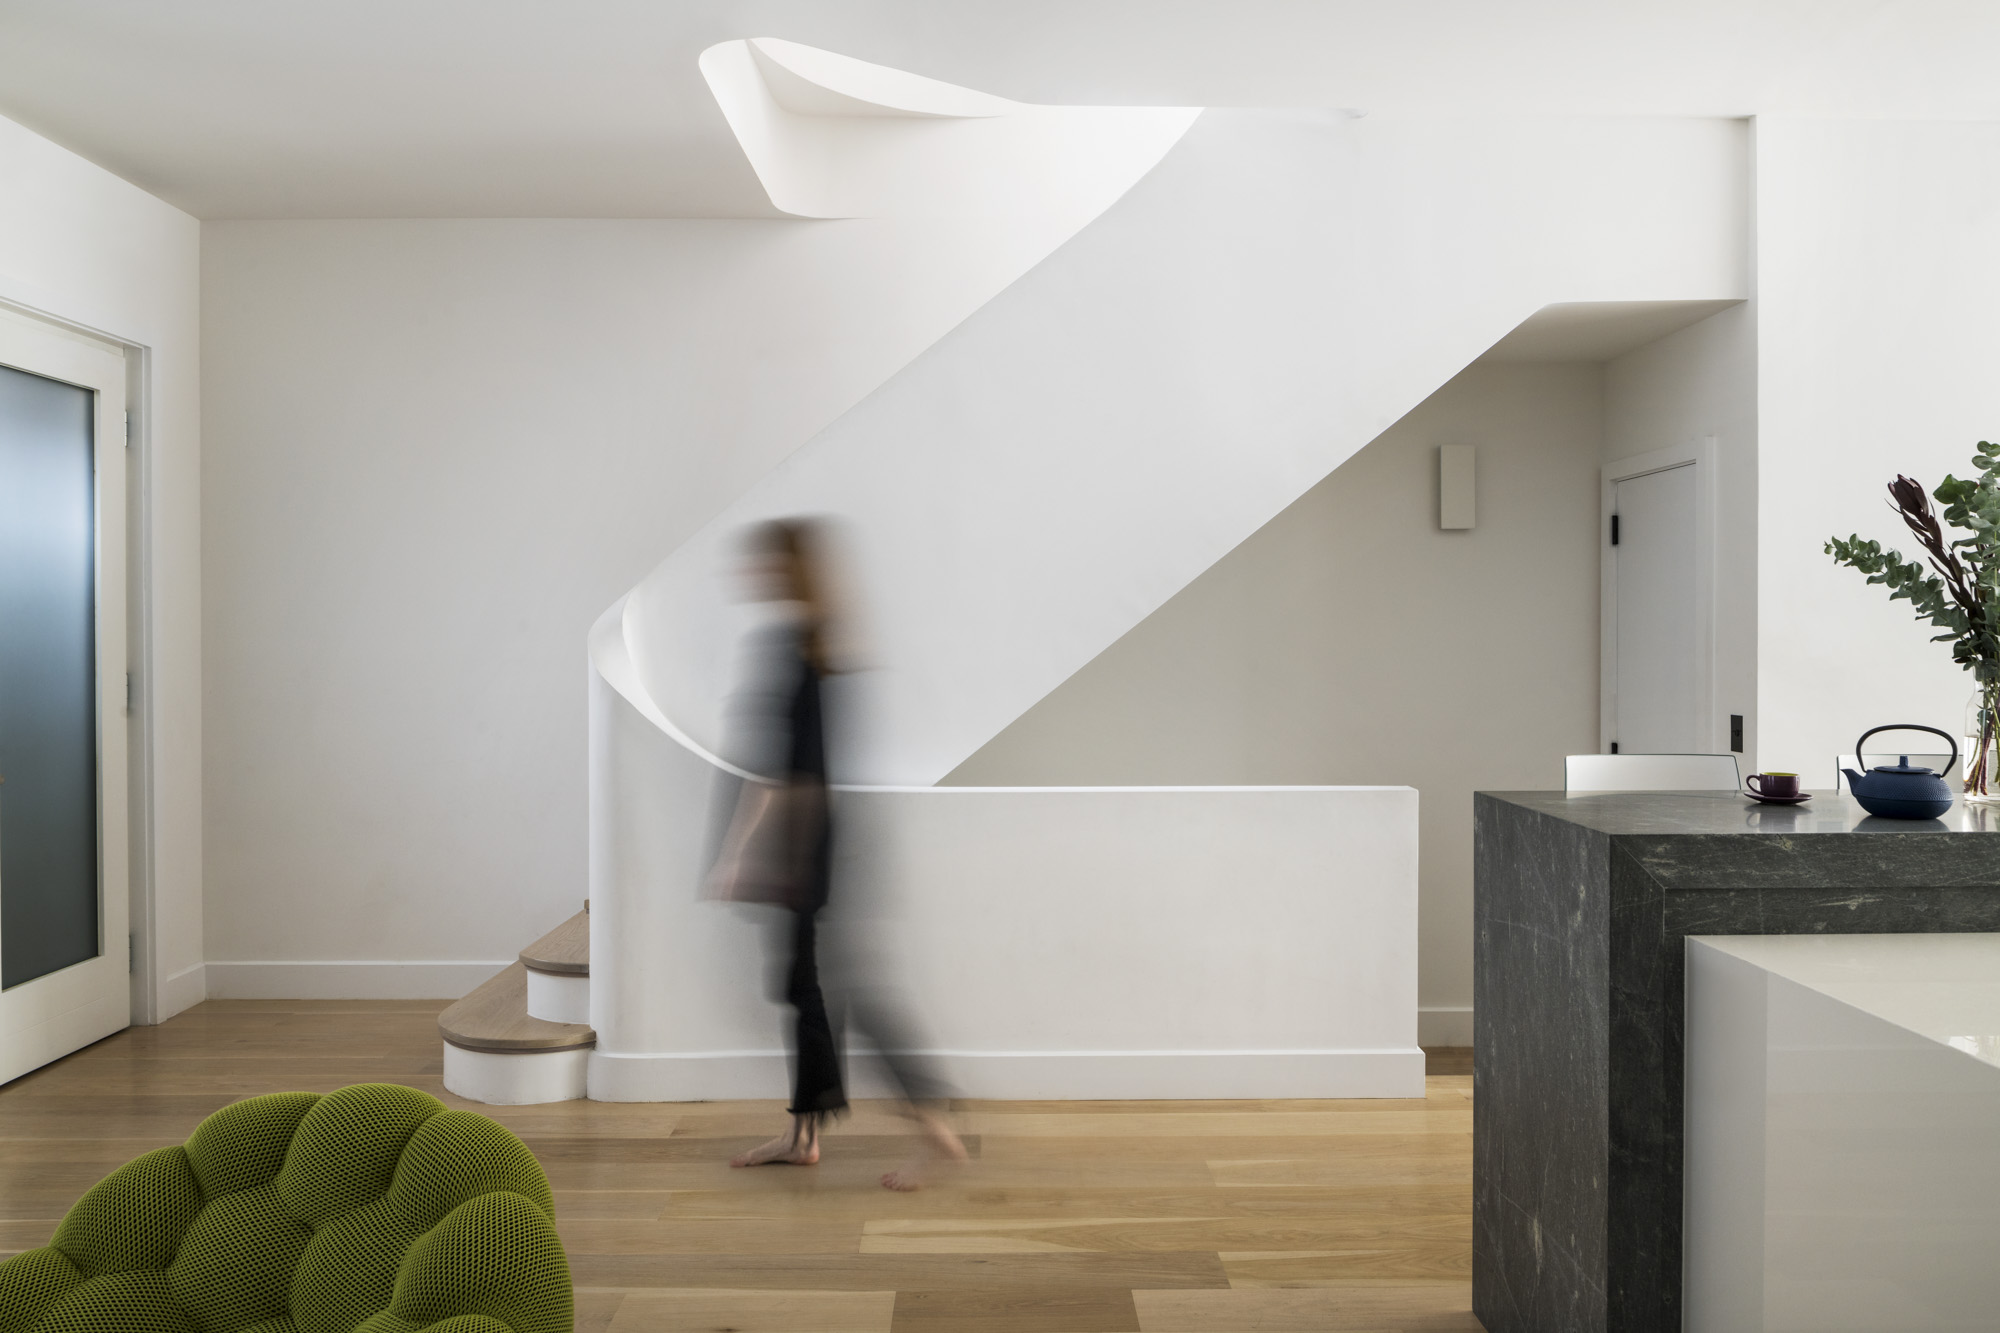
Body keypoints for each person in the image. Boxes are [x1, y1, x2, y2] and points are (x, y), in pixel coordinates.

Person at [704, 518, 967, 1191]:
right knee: (814, 988)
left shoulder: (794, 649)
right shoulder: (824, 646)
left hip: (802, 844)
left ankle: (928, 1115)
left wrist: (740, 853)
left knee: (827, 988)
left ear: (788, 570)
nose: (754, 575)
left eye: (765, 564)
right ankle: (810, 1131)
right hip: (824, 839)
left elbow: (784, 773)